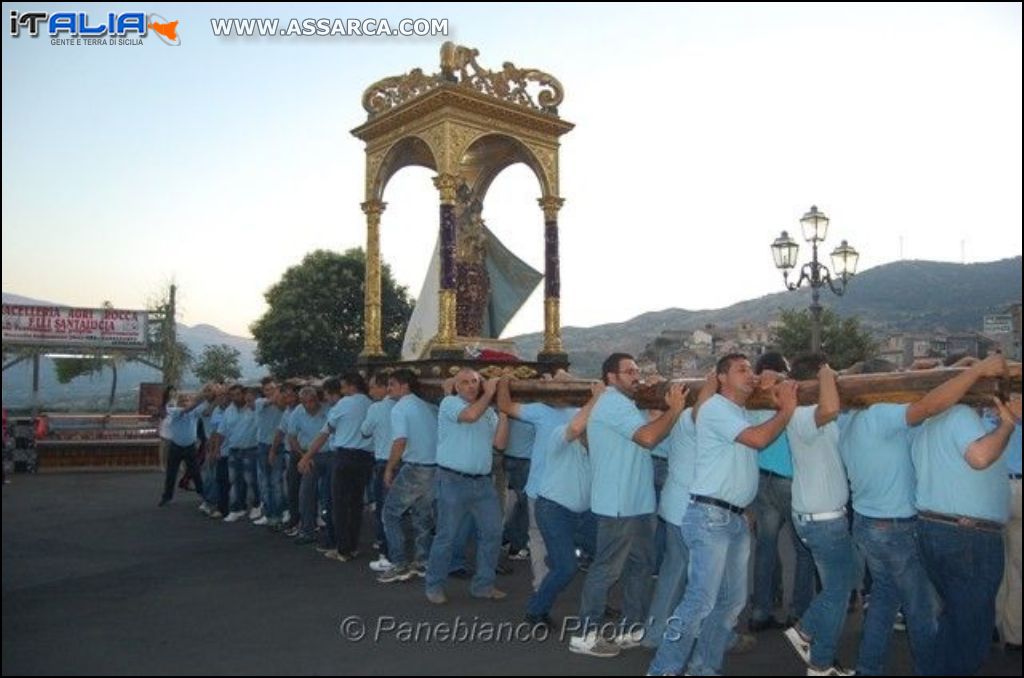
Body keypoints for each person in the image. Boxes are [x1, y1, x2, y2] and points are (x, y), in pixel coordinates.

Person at [648, 353, 797, 676]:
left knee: (731, 603)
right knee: (699, 602)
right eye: (741, 370)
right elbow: (759, 439)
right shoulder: (716, 409)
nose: (750, 375)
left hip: (733, 518)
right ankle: (662, 670)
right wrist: (786, 408)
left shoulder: (739, 412)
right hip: (710, 517)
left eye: (750, 370)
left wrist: (775, 394)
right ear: (722, 378)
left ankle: (704, 668)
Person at [570, 353, 686, 658]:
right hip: (618, 504)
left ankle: (630, 628)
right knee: (606, 569)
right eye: (630, 371)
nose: (637, 376)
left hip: (636, 502)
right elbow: (648, 439)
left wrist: (660, 411)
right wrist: (673, 410)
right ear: (611, 377)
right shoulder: (612, 403)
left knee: (641, 566)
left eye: (637, 370)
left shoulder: (626, 406)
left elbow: (651, 437)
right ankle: (584, 635)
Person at [424, 369, 508, 604]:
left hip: (482, 483)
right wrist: (490, 391)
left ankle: (483, 585)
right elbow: (470, 415)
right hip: (452, 480)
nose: (471, 386)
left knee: (492, 534)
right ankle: (434, 585)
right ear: (456, 387)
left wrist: (504, 414)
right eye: (465, 382)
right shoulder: (450, 403)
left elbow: (500, 444)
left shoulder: (489, 412)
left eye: (475, 382)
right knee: (446, 536)